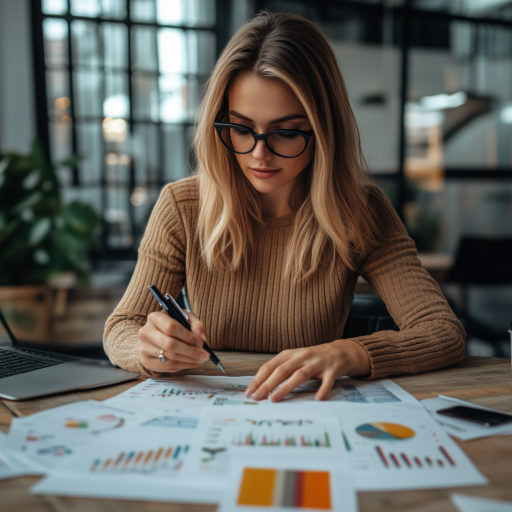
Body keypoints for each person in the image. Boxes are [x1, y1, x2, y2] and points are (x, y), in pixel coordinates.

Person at [104, 11, 465, 402]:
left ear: (324, 129)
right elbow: (121, 328)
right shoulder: (182, 206)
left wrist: (352, 351)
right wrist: (151, 348)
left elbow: (442, 331)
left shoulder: (361, 210)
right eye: (241, 129)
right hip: (215, 412)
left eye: (288, 132)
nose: (259, 154)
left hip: (313, 412)